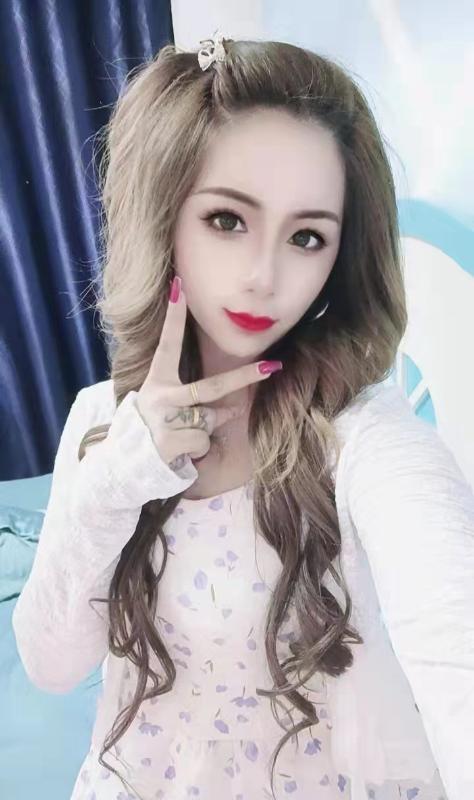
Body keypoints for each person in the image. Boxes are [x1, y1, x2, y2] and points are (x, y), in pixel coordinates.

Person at [12, 33, 474, 800]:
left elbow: (454, 635)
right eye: (228, 220)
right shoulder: (102, 418)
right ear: (165, 216)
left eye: (307, 237)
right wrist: (123, 474)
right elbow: (52, 663)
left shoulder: (362, 434)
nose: (265, 276)